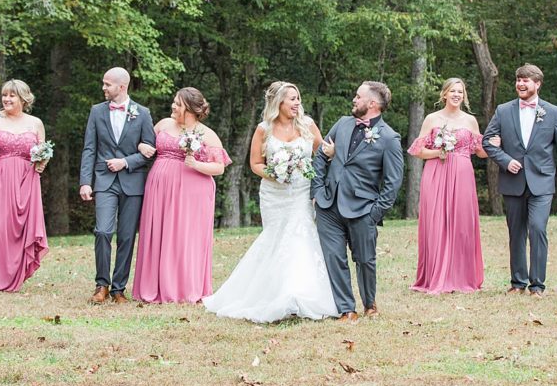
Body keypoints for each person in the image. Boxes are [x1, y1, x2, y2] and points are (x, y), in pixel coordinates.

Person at [203, 82, 337, 322]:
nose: (297, 103)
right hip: (273, 194)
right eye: (292, 99)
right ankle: (270, 294)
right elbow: (255, 164)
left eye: (298, 98)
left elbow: (322, 152)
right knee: (276, 239)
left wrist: (331, 153)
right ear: (279, 103)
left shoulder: (307, 125)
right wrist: (275, 173)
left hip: (300, 193)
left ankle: (298, 295)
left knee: (300, 236)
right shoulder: (263, 129)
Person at [311, 81, 404, 321]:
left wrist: (375, 213)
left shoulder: (389, 138)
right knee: (334, 257)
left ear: (372, 104)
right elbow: (322, 155)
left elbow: (393, 182)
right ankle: (346, 309)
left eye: (358, 96)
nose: (354, 99)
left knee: (365, 260)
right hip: (329, 205)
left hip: (363, 209)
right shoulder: (342, 124)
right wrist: (317, 191)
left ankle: (369, 304)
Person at [483, 63, 557, 297]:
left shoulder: (551, 112)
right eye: (518, 79)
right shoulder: (503, 111)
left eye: (526, 80)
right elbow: (487, 141)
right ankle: (517, 282)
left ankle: (537, 285)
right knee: (516, 232)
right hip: (512, 181)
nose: (520, 84)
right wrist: (504, 160)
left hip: (542, 181)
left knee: (537, 229)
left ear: (537, 84)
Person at [133, 87, 231, 304]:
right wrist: (141, 145)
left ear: (189, 108)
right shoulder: (163, 124)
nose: (173, 106)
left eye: (177, 103)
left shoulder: (207, 133)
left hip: (192, 192)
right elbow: (144, 143)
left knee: (184, 236)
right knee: (157, 232)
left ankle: (183, 288)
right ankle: (153, 286)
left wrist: (195, 163)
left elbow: (219, 168)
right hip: (159, 188)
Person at [79, 67, 156, 304]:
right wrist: (85, 182)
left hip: (133, 182)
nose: (103, 88)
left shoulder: (142, 113)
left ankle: (118, 289)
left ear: (122, 87)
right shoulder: (96, 111)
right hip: (104, 181)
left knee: (126, 236)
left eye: (108, 84)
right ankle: (101, 284)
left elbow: (150, 151)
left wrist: (125, 161)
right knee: (103, 231)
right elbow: (89, 148)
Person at [407, 78, 488, 294]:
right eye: (452, 91)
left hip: (462, 174)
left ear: (464, 95)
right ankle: (435, 276)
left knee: (461, 223)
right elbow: (418, 150)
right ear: (444, 94)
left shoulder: (470, 121)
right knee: (437, 221)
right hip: (436, 172)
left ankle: (461, 276)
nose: (456, 95)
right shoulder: (432, 119)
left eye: (460, 92)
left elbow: (480, 151)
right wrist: (438, 152)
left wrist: (495, 143)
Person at [0, 79, 50, 292]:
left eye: (12, 96)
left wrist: (42, 162)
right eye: (4, 95)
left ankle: (14, 275)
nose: (6, 99)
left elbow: (44, 150)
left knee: (19, 229)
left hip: (26, 180)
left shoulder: (35, 123)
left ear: (23, 99)